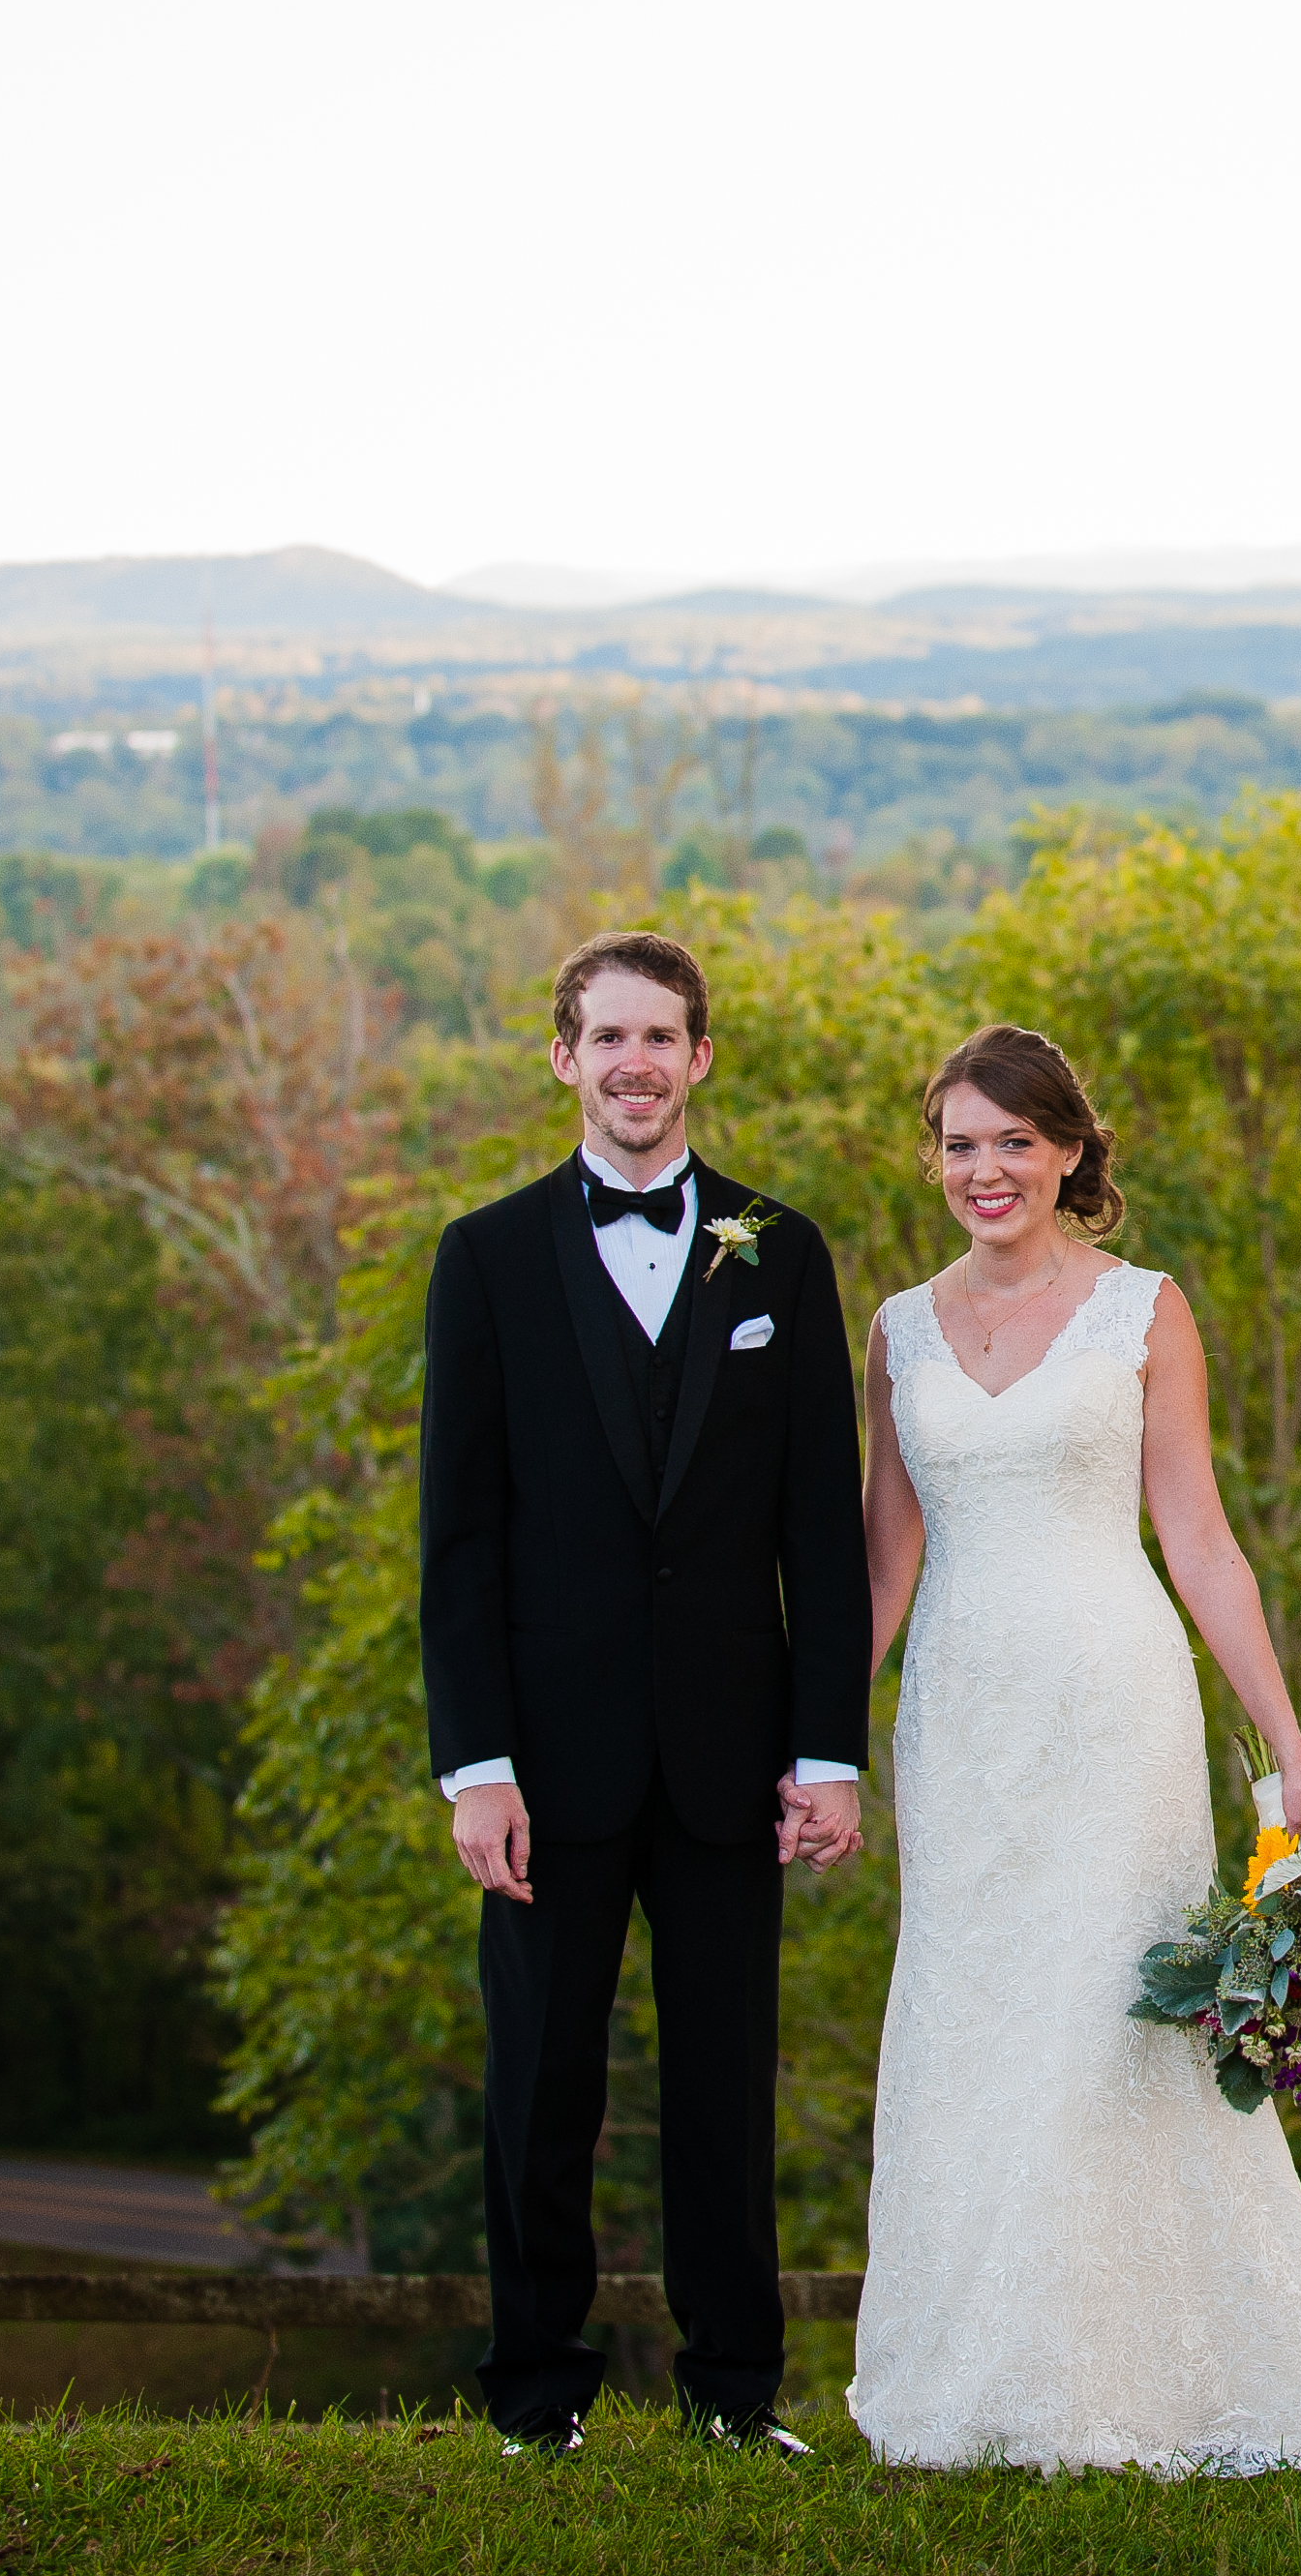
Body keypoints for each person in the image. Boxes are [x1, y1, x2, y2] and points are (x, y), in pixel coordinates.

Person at [846, 1023, 1301, 2474]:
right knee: (972, 2026)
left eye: (1015, 1141)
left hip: (1113, 1709)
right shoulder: (896, 1326)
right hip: (960, 1720)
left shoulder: (1145, 1309)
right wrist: (816, 1744)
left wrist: (1292, 1747)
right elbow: (881, 1566)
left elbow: (1198, 1539)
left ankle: (1146, 2384)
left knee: (1107, 2028)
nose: (985, 1170)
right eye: (960, 1143)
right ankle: (971, 2384)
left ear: (1071, 1152)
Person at [416, 930, 872, 2455]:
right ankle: (534, 2396)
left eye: (661, 1037)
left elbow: (823, 1520)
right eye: (605, 1037)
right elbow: (461, 1535)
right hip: (549, 1762)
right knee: (541, 2090)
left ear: (701, 1059)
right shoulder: (482, 1260)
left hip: (736, 1758)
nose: (634, 1064)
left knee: (725, 2092)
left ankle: (736, 2397)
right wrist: (475, 1765)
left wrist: (828, 1753)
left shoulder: (780, 1251)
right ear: (562, 1057)